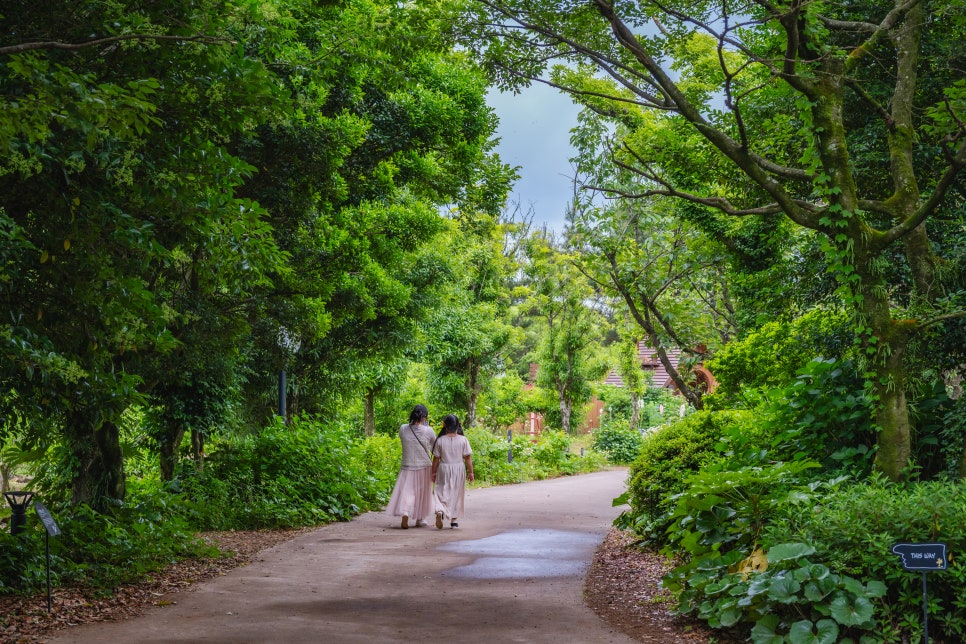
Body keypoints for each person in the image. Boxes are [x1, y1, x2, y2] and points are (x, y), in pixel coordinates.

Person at [385, 404, 436, 529]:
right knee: (422, 493)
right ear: (424, 417)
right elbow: (435, 446)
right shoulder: (428, 431)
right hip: (424, 465)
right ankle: (420, 519)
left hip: (407, 465)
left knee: (407, 491)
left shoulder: (403, 429)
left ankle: (405, 512)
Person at [431, 414, 474, 529]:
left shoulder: (440, 440)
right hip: (458, 468)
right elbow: (468, 458)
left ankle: (440, 510)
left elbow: (436, 459)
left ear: (444, 425)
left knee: (440, 491)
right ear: (458, 425)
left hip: (444, 468)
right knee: (456, 493)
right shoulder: (463, 440)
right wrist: (471, 472)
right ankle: (453, 520)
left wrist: (433, 473)